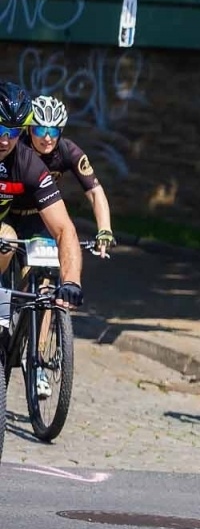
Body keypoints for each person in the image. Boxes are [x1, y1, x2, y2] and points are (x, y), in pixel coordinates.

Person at [0, 82, 86, 400]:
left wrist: (72, 281)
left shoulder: (29, 163)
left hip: (14, 227)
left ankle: (8, 320)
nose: (5, 138)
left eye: (12, 129)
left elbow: (65, 230)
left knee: (10, 241)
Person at [24, 95, 115, 259]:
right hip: (8, 213)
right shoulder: (16, 149)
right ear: (28, 129)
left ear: (60, 131)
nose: (47, 138)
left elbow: (95, 191)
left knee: (45, 274)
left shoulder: (68, 151)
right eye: (39, 129)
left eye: (53, 130)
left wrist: (105, 230)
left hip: (39, 216)